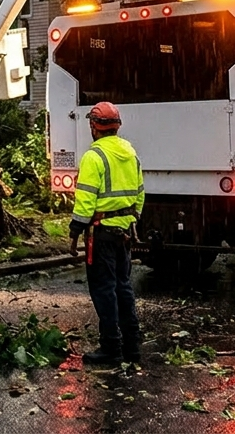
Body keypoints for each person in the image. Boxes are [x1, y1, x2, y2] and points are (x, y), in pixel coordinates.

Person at [67, 101, 144, 365]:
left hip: (100, 234)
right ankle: (132, 345)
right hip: (123, 231)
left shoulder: (94, 156)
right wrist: (132, 219)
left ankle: (111, 347)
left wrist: (75, 228)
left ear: (93, 126)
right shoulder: (130, 153)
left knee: (104, 289)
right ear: (117, 126)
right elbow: (140, 193)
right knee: (123, 286)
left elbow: (86, 199)